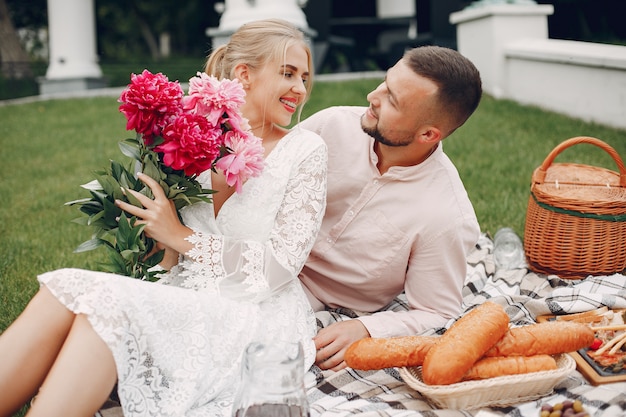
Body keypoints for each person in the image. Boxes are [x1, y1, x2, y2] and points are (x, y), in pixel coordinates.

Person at [0, 19, 327, 417]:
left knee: (105, 310)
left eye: (304, 77)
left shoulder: (305, 150)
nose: (300, 88)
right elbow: (165, 253)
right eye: (288, 73)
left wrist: (180, 235)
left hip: (256, 314)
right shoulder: (193, 135)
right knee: (68, 290)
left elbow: (279, 268)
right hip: (182, 293)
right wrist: (153, 250)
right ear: (244, 74)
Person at [298, 45, 483, 371]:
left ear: (428, 133)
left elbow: (437, 313)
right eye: (385, 82)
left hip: (318, 304)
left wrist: (367, 328)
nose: (373, 95)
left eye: (393, 100)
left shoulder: (446, 215)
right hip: (268, 263)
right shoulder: (331, 126)